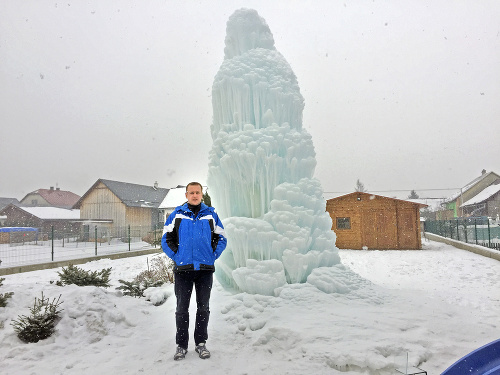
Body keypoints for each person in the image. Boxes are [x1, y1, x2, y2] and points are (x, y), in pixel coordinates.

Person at [161, 182, 227, 361]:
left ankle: (201, 344)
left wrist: (212, 256)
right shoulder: (177, 214)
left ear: (201, 195)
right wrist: (177, 256)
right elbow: (166, 239)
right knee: (182, 309)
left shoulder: (211, 214)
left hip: (205, 270)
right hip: (183, 270)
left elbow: (221, 238)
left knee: (203, 308)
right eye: (192, 192)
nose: (195, 195)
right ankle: (181, 346)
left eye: (198, 192)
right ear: (186, 195)